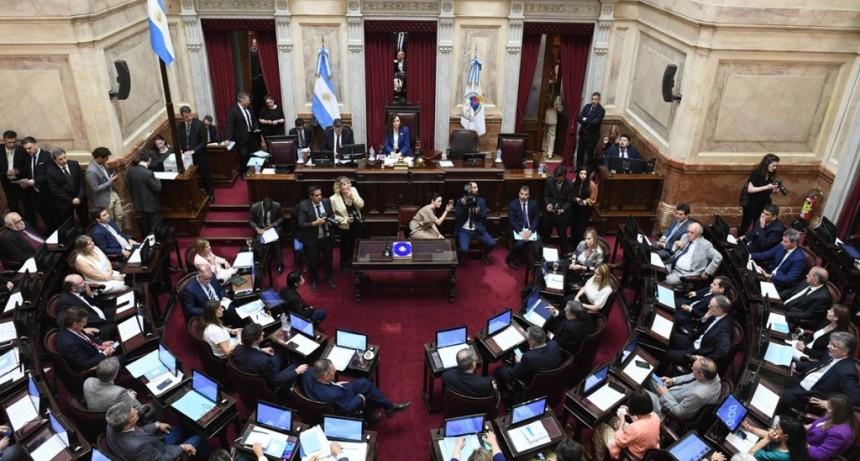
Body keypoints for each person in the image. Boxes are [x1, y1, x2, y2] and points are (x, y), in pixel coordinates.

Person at [302, 358, 410, 423]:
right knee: (365, 394)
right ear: (325, 376)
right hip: (342, 400)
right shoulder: (333, 395)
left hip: (333, 390)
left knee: (365, 383)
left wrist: (333, 384)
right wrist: (359, 397)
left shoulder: (308, 373)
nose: (335, 371)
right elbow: (347, 411)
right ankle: (374, 413)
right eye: (333, 370)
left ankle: (388, 407)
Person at [778, 331, 860, 412]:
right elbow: (817, 365)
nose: (828, 346)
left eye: (833, 345)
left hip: (808, 397)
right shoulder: (832, 354)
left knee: (780, 394)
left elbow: (856, 399)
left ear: (844, 352)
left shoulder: (847, 371)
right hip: (802, 380)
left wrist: (830, 404)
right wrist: (796, 365)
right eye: (830, 342)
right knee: (778, 374)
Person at [106, 400, 210, 461]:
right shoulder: (138, 447)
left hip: (154, 442)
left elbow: (135, 431)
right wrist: (182, 447)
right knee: (199, 438)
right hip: (161, 452)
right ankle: (212, 456)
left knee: (183, 427)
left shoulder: (111, 425)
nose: (137, 412)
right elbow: (162, 459)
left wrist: (156, 425)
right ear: (126, 425)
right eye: (134, 415)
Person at [233, 323, 308, 392]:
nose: (263, 333)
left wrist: (261, 350)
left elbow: (250, 353)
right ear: (255, 340)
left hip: (255, 369)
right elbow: (277, 381)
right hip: (268, 383)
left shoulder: (237, 349)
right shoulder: (264, 361)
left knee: (282, 353)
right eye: (261, 334)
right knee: (299, 363)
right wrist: (297, 371)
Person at [665, 295, 732, 371]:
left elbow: (723, 351)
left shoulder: (724, 328)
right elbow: (699, 325)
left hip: (695, 352)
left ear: (720, 311)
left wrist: (704, 359)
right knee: (666, 335)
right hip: (692, 341)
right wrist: (705, 318)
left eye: (711, 306)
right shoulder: (716, 313)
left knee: (666, 353)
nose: (708, 306)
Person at [646, 356, 721, 421]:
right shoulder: (712, 373)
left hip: (666, 407)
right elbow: (691, 376)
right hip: (671, 391)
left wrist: (664, 394)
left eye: (693, 369)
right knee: (647, 374)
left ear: (701, 376)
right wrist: (673, 380)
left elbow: (679, 413)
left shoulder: (698, 394)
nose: (691, 368)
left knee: (642, 393)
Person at [592, 389, 660, 460]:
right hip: (646, 449)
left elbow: (619, 441)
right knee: (613, 420)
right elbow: (641, 422)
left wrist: (622, 421)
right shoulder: (655, 416)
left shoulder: (635, 428)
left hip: (634, 455)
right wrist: (629, 412)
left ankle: (598, 458)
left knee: (601, 427)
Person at [494, 326, 561, 390]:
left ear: (532, 342)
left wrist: (518, 362)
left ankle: (504, 390)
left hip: (531, 382)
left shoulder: (528, 357)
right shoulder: (554, 344)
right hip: (551, 377)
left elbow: (515, 373)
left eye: (528, 339)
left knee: (500, 370)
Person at [57, 306, 122, 371]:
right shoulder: (70, 345)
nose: (85, 324)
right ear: (75, 324)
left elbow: (86, 337)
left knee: (121, 343)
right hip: (97, 362)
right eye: (83, 322)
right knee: (124, 356)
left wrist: (102, 343)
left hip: (99, 350)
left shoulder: (70, 327)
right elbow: (84, 364)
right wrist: (104, 354)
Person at [297, 185, 335, 292]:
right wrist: (315, 223)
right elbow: (301, 224)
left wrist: (330, 221)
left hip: (326, 237)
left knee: (328, 260)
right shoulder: (304, 206)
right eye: (317, 195)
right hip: (313, 239)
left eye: (320, 195)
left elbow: (331, 215)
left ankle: (329, 278)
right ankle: (313, 280)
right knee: (313, 262)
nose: (320, 197)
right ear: (311, 196)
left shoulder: (326, 202)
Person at [57, 274, 117, 340]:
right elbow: (61, 322)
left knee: (123, 310)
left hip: (104, 314)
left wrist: (90, 294)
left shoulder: (82, 289)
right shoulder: (65, 301)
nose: (85, 283)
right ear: (73, 288)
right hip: (97, 326)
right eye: (81, 282)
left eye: (83, 280)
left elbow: (99, 305)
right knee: (118, 326)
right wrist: (82, 331)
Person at [664, 222, 723, 287]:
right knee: (655, 272)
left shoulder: (705, 245)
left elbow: (718, 257)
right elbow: (673, 251)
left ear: (698, 234)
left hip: (683, 273)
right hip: (671, 265)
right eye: (688, 231)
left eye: (692, 232)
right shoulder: (685, 236)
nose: (688, 234)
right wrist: (675, 244)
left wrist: (707, 272)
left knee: (663, 283)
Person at [43, 147, 88, 228]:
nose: (64, 160)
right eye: (60, 159)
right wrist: (71, 200)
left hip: (80, 199)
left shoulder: (74, 164)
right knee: (69, 225)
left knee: (85, 220)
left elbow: (81, 181)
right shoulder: (50, 171)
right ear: (54, 160)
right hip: (65, 203)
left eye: (64, 157)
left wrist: (79, 197)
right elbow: (55, 190)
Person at [177, 105, 214, 203]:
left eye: (190, 115)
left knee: (205, 175)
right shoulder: (179, 126)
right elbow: (179, 140)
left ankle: (210, 193)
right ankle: (193, 196)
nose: (189, 118)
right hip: (186, 157)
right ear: (182, 116)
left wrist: (193, 151)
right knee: (189, 176)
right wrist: (180, 149)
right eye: (186, 116)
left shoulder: (199, 124)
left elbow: (204, 141)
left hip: (199, 155)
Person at [805, 394, 857, 461]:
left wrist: (802, 443)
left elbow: (820, 455)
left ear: (839, 412)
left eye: (830, 407)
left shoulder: (839, 433)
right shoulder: (831, 417)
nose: (826, 409)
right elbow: (811, 427)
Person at [740, 153, 782, 234]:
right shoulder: (756, 173)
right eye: (773, 165)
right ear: (766, 164)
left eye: (776, 166)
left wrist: (775, 190)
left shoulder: (771, 175)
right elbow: (750, 189)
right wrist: (767, 187)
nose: (775, 168)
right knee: (746, 224)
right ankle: (739, 238)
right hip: (752, 203)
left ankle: (754, 238)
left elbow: (770, 190)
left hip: (764, 203)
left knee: (758, 224)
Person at [455, 182, 495, 263]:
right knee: (464, 249)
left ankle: (484, 255)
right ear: (468, 190)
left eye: (477, 187)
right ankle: (457, 254)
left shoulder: (481, 201)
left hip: (478, 230)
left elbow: (484, 216)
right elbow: (458, 217)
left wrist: (478, 213)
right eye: (474, 188)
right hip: (464, 230)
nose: (477, 189)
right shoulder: (460, 201)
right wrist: (464, 207)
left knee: (492, 243)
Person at [19, 137, 53, 232]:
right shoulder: (28, 158)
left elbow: (50, 174)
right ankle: (50, 231)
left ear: (36, 145)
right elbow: (31, 173)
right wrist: (26, 181)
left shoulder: (47, 156)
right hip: (36, 193)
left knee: (54, 214)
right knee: (44, 214)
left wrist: (35, 181)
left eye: (29, 148)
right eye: (25, 149)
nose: (27, 151)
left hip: (49, 192)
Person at [330, 176, 364, 272]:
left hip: (356, 223)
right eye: (344, 184)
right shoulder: (333, 199)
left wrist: (352, 197)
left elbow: (361, 205)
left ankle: (355, 262)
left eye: (348, 183)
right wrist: (345, 220)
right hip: (345, 226)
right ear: (339, 187)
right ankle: (344, 264)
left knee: (356, 244)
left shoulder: (353, 190)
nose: (348, 186)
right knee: (345, 246)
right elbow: (332, 216)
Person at [125, 150, 162, 235]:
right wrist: (157, 179)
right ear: (149, 159)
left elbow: (128, 185)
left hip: (139, 203)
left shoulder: (131, 171)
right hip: (151, 204)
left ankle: (147, 239)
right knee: (154, 226)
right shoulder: (148, 173)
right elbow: (157, 187)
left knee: (145, 224)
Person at [225, 92, 260, 179]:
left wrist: (256, 127)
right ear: (242, 101)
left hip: (251, 135)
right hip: (241, 138)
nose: (250, 101)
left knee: (253, 153)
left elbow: (254, 118)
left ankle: (253, 170)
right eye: (248, 100)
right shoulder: (233, 110)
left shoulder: (250, 108)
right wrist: (227, 138)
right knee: (244, 155)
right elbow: (229, 124)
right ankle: (243, 172)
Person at [540, 165, 574, 255]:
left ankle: (564, 254)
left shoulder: (570, 185)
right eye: (556, 177)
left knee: (563, 236)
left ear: (565, 176)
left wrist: (562, 210)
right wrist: (547, 204)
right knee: (546, 234)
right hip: (549, 213)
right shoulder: (549, 181)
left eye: (560, 178)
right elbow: (546, 195)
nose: (558, 180)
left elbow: (568, 201)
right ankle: (543, 253)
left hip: (562, 215)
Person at [743, 416, 808, 461]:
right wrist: (749, 428)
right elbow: (768, 434)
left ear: (786, 436)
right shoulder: (790, 443)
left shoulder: (781, 456)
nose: (773, 429)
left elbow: (750, 454)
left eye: (777, 428)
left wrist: (767, 439)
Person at [86, 147, 124, 223]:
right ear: (100, 158)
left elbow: (106, 177)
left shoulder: (102, 164)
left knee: (120, 215)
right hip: (104, 199)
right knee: (110, 219)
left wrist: (112, 178)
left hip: (112, 192)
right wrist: (110, 181)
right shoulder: (91, 171)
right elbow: (95, 188)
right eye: (106, 158)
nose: (107, 159)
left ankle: (119, 230)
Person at [506, 185, 540, 270]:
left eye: (526, 194)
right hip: (517, 229)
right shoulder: (513, 204)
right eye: (522, 194)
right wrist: (520, 232)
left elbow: (536, 219)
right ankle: (510, 258)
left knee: (538, 243)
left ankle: (536, 264)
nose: (523, 196)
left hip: (530, 229)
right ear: (519, 194)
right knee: (520, 243)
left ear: (529, 195)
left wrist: (531, 231)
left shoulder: (534, 204)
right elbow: (512, 221)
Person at [249, 198, 285, 275]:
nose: (268, 211)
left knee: (276, 241)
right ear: (263, 206)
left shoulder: (277, 206)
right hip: (261, 229)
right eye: (266, 210)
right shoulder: (254, 207)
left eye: (269, 210)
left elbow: (281, 218)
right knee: (260, 242)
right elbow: (251, 221)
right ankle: (260, 264)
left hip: (273, 228)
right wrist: (257, 229)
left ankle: (280, 263)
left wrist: (273, 224)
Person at [569, 167, 598, 250]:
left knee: (580, 229)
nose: (583, 175)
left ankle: (579, 246)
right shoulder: (574, 182)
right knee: (573, 227)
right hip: (575, 208)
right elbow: (570, 194)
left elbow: (593, 199)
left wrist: (585, 201)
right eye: (581, 173)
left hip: (585, 210)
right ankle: (572, 244)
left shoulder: (592, 185)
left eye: (585, 174)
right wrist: (575, 199)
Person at [1, 130, 27, 215]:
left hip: (22, 182)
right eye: (9, 142)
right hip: (7, 183)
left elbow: (27, 167)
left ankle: (29, 222)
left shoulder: (22, 150)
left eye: (14, 142)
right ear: (4, 140)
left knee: (27, 204)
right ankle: (18, 221)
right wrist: (5, 172)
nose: (12, 145)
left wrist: (17, 171)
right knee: (13, 205)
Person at [576, 92, 604, 168]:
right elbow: (579, 118)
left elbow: (595, 123)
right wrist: (588, 121)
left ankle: (588, 169)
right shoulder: (587, 106)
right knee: (580, 152)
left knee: (590, 154)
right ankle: (578, 167)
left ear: (599, 100)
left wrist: (585, 119)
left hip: (592, 136)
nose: (593, 101)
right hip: (583, 133)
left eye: (595, 99)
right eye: (592, 99)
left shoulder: (601, 110)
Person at [543, 73, 564, 160]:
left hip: (544, 118)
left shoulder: (545, 95)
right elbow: (560, 109)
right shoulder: (557, 98)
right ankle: (550, 153)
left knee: (544, 134)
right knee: (552, 136)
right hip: (553, 119)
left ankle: (543, 148)